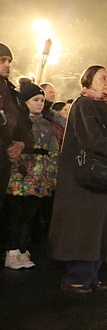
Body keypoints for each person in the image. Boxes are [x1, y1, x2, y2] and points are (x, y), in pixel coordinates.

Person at [49, 65, 107, 293]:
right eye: (103, 78)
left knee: (100, 226)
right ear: (88, 82)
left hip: (101, 177)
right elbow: (92, 139)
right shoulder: (84, 104)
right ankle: (77, 276)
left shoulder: (106, 106)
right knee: (86, 227)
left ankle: (92, 274)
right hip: (85, 179)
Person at [4, 82, 58, 269]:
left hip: (40, 177)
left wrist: (51, 173)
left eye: (42, 100)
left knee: (30, 216)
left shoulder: (46, 125)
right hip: (21, 176)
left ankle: (22, 249)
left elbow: (53, 150)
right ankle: (11, 250)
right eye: (35, 100)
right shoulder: (19, 123)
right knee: (17, 214)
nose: (40, 103)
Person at [0, 43, 34, 217]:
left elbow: (24, 125)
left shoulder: (14, 94)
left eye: (9, 61)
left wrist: (22, 144)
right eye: (2, 60)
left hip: (4, 162)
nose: (7, 64)